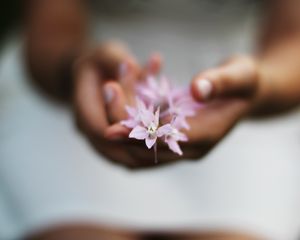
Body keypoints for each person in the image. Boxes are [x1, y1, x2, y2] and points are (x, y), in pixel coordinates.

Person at [1, 0, 300, 239]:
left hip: (240, 84)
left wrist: (257, 87)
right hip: (85, 81)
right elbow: (50, 31)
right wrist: (78, 69)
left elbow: (293, 43)